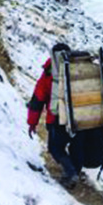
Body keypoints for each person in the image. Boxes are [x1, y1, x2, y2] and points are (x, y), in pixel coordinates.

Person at [27, 43, 82, 189]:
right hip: (81, 117)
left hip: (57, 119)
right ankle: (74, 171)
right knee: (76, 145)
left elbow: (37, 100)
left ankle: (71, 173)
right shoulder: (79, 68)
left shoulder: (49, 72)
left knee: (55, 148)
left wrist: (32, 122)